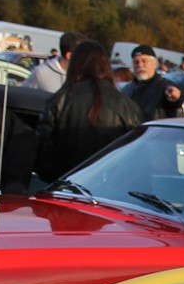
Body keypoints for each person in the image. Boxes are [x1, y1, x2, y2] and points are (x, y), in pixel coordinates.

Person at [35, 40, 144, 181]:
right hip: (109, 186)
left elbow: (43, 154)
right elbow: (135, 160)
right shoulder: (127, 105)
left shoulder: (60, 99)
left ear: (75, 65)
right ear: (105, 65)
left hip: (65, 184)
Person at [125, 45, 184, 121]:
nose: (140, 65)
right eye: (136, 62)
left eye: (144, 61)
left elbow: (177, 97)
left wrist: (176, 94)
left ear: (154, 64)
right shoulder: (128, 90)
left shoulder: (163, 87)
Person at [20, 31, 86, 94]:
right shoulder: (41, 73)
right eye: (84, 55)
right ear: (69, 55)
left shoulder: (86, 76)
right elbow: (22, 95)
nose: (86, 59)